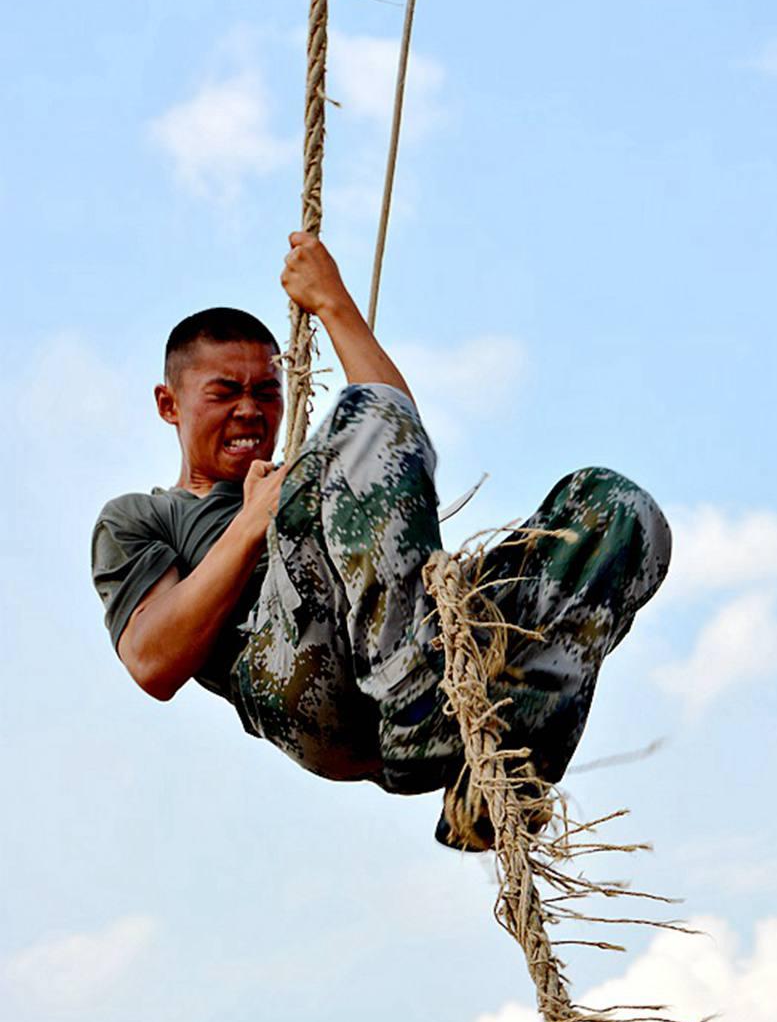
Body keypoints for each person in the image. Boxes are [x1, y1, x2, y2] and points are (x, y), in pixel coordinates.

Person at [91, 233, 672, 848]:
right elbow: (151, 661)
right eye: (223, 393)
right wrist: (252, 522)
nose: (249, 411)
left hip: (432, 656)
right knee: (359, 423)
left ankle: (507, 760)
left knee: (616, 508)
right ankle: (416, 693)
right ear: (168, 404)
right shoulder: (138, 518)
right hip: (307, 684)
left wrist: (333, 303)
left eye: (265, 392)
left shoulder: (310, 474)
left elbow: (391, 424)